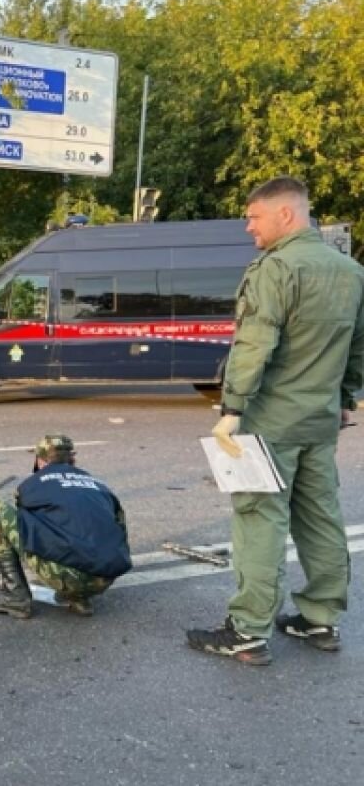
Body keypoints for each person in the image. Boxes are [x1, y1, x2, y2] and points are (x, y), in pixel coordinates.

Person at [188, 176, 364, 665]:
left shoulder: (277, 268)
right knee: (320, 516)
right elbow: (358, 345)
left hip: (271, 421)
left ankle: (247, 629)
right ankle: (320, 618)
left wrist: (232, 409)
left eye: (255, 216)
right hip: (320, 418)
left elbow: (254, 343)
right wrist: (347, 395)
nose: (249, 227)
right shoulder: (350, 271)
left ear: (286, 214)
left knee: (259, 519)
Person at [0, 434, 131, 619]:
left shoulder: (35, 482)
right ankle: (80, 598)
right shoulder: (99, 485)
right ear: (72, 459)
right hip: (105, 578)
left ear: (40, 460)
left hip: (67, 576)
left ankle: (15, 597)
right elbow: (119, 527)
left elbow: (25, 513)